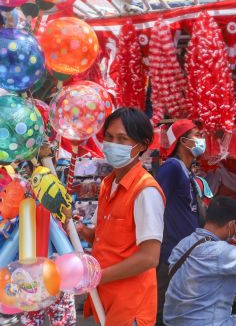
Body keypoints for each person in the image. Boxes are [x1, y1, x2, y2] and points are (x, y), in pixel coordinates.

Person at [76, 107, 165, 326]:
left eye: (122, 139)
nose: (113, 144)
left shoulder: (146, 191)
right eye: (109, 137)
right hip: (106, 300)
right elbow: (105, 239)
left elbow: (149, 257)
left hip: (131, 305)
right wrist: (79, 230)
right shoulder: (108, 184)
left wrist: (96, 277)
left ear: (142, 145)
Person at [163, 183, 236, 326]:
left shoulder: (184, 243)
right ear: (232, 225)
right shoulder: (221, 252)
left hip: (172, 322)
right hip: (208, 323)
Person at [155, 119, 206, 325]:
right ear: (184, 141)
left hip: (186, 253)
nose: (201, 140)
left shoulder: (186, 171)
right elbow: (156, 203)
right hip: (171, 253)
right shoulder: (172, 168)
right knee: (164, 308)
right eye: (196, 135)